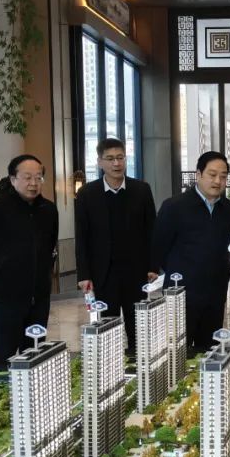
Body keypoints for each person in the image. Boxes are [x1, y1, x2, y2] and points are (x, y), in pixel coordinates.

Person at [0, 154, 59, 366]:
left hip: (38, 300)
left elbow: (49, 246)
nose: (33, 183)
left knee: (35, 357)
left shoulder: (48, 210)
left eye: (38, 177)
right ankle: (0, 389)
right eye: (27, 177)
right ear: (13, 179)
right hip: (4, 300)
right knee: (2, 357)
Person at [74, 137, 157, 352]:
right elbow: (82, 237)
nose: (116, 163)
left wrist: (153, 266)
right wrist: (84, 274)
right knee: (106, 330)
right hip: (103, 274)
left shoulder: (141, 190)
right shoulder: (86, 194)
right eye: (110, 159)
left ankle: (139, 365)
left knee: (138, 329)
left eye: (120, 157)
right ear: (100, 162)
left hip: (136, 272)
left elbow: (152, 231)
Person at [152, 151, 230, 354]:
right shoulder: (174, 206)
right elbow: (159, 247)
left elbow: (222, 245)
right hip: (181, 294)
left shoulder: (229, 209)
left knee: (210, 351)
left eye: (223, 176)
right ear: (198, 174)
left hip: (215, 293)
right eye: (212, 174)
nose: (217, 181)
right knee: (177, 354)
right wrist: (183, 270)